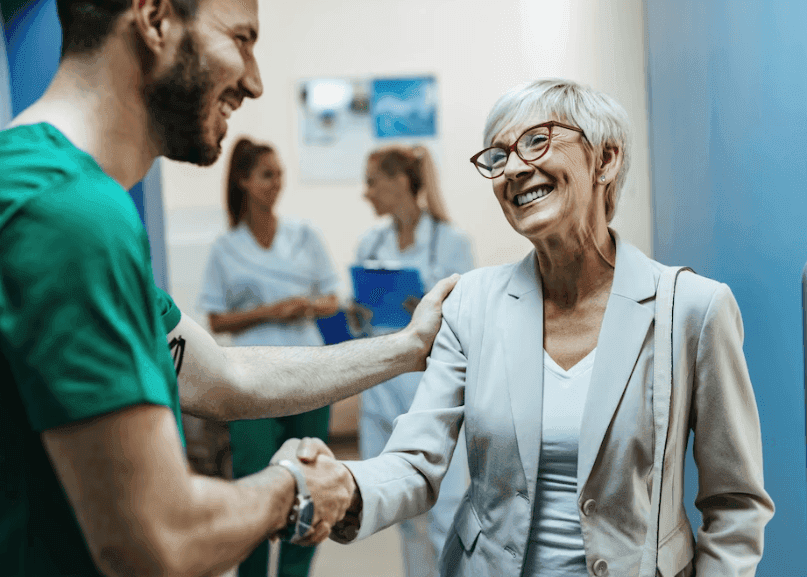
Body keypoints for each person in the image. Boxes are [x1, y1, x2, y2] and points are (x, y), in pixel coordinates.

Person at [0, 1, 458, 576]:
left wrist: (410, 347)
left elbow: (221, 377)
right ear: (155, 17)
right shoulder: (65, 214)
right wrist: (297, 488)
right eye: (241, 39)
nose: (255, 81)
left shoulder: (39, 186)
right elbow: (160, 539)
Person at [321, 79, 775, 577]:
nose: (513, 168)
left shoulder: (692, 308)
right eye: (497, 156)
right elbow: (416, 462)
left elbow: (735, 503)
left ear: (606, 160)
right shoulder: (471, 303)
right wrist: (340, 485)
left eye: (537, 141)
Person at [197, 137, 340, 577]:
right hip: (251, 379)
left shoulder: (304, 235)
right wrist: (270, 311)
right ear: (243, 180)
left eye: (279, 173)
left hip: (309, 374)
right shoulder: (226, 248)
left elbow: (332, 300)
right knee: (254, 480)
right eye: (266, 175)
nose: (276, 182)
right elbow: (218, 320)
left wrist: (307, 306)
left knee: (309, 482)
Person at [355, 144, 474, 577]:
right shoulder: (371, 242)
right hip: (384, 389)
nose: (365, 193)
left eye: (372, 182)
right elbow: (363, 321)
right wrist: (358, 314)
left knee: (444, 515)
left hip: (433, 390)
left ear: (400, 182)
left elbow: (466, 319)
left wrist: (422, 309)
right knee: (404, 515)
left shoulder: (450, 241)